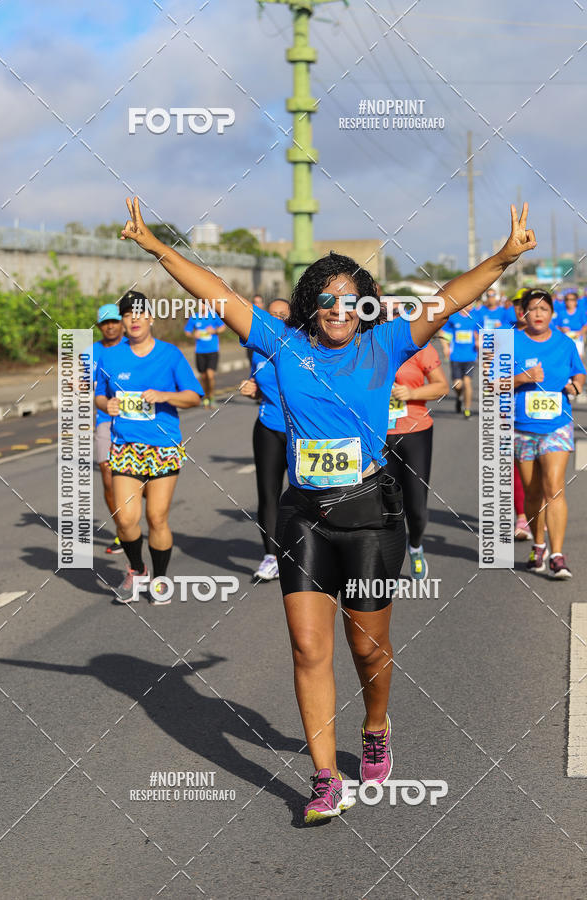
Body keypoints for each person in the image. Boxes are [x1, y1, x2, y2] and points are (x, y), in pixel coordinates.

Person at [120, 195, 536, 823]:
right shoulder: (281, 344)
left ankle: (374, 725)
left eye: (351, 299)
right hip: (303, 517)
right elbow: (217, 290)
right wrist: (156, 248)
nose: (339, 310)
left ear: (363, 304)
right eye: (328, 298)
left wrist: (504, 257)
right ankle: (322, 778)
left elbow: (449, 298)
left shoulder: (386, 343)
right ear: (313, 303)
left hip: (370, 516)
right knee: (308, 650)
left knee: (368, 647)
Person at [95, 290, 203, 604]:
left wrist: (165, 395)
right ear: (123, 321)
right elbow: (100, 395)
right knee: (126, 519)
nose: (134, 320)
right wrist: (109, 404)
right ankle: (136, 569)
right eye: (128, 315)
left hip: (162, 447)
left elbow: (194, 396)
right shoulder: (111, 356)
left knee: (156, 518)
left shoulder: (170, 355)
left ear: (151, 318)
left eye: (140, 313)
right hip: (125, 446)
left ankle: (159, 580)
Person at [513, 289, 586, 578]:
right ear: (524, 313)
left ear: (552, 314)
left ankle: (557, 554)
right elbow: (491, 383)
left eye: (544, 309)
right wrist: (521, 378)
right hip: (521, 427)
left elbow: (579, 372)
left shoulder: (565, 343)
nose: (539, 314)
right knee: (532, 494)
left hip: (557, 425)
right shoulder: (511, 343)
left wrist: (576, 385)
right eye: (533, 309)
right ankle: (538, 546)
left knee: (554, 487)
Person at [383, 307, 449, 580]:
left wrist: (411, 392)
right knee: (385, 505)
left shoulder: (420, 348)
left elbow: (441, 387)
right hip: (378, 435)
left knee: (417, 507)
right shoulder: (370, 348)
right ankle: (389, 563)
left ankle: (416, 545)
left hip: (415, 432)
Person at [239, 298, 290, 582]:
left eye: (283, 315)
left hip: (302, 432)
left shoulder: (304, 347)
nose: (277, 319)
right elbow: (261, 386)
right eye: (272, 315)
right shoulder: (259, 352)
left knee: (305, 494)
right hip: (268, 427)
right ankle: (271, 556)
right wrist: (252, 389)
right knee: (268, 494)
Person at [92, 304, 127, 554]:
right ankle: (122, 531)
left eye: (114, 321)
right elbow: (85, 384)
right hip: (105, 419)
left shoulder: (133, 347)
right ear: (100, 327)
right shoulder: (91, 352)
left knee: (136, 480)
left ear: (121, 323)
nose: (110, 326)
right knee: (106, 474)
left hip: (137, 420)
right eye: (105, 323)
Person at [510, 290, 532, 540]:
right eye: (517, 305)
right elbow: (491, 381)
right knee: (515, 467)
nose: (520, 309)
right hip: (511, 413)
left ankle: (540, 512)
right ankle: (522, 518)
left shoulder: (551, 338)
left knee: (541, 472)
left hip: (544, 418)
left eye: (524, 305)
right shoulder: (504, 337)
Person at [439, 305, 480, 418]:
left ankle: (467, 409)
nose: (471, 306)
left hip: (470, 356)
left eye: (472, 303)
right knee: (457, 385)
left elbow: (480, 333)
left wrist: (478, 342)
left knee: (467, 383)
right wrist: (445, 347)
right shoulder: (453, 317)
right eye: (469, 303)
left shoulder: (475, 317)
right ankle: (459, 397)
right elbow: (443, 333)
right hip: (456, 356)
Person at [184, 307, 226, 407]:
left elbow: (223, 327)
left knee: (210, 375)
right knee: (203, 376)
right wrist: (194, 335)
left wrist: (214, 331)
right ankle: (206, 396)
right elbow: (187, 331)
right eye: (200, 304)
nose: (202, 306)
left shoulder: (214, 316)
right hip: (199, 351)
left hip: (212, 350)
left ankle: (211, 396)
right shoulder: (194, 317)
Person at [555, 291, 587, 359]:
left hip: (577, 340)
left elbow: (585, 325)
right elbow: (555, 326)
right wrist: (561, 329)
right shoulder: (561, 313)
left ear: (576, 301)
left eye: (572, 299)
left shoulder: (580, 312)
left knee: (577, 360)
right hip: (564, 340)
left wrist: (580, 332)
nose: (569, 302)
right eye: (567, 299)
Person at [246, 294, 265, 365]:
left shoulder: (266, 318)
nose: (256, 304)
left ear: (262, 304)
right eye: (254, 302)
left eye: (258, 302)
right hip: (251, 347)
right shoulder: (248, 317)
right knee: (253, 369)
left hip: (262, 348)